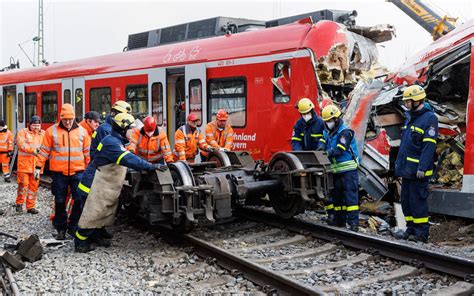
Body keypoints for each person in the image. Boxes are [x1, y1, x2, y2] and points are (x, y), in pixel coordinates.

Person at [74, 113, 165, 253]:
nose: (134, 132)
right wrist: (150, 166)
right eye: (131, 129)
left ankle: (96, 236)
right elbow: (129, 159)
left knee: (101, 212)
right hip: (93, 184)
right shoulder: (112, 143)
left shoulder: (114, 140)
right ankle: (80, 242)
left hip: (99, 182)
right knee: (91, 215)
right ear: (123, 129)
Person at [35, 104, 91, 240]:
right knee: (59, 201)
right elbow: (44, 152)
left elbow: (87, 154)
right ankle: (61, 228)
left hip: (78, 172)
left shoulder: (83, 132)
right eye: (65, 119)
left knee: (78, 199)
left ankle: (73, 227)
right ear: (61, 118)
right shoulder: (51, 131)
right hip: (59, 173)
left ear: (74, 118)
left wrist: (89, 171)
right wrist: (37, 167)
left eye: (70, 119)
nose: (68, 122)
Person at [394, 85, 438, 243]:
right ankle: (410, 229)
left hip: (418, 171)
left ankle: (421, 233)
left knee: (417, 201)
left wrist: (422, 167)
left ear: (417, 100)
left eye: (408, 101)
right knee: (406, 201)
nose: (406, 104)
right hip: (407, 170)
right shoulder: (410, 117)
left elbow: (429, 147)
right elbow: (405, 147)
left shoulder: (429, 118)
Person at [318, 104, 360, 232]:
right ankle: (339, 221)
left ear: (336, 119)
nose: (328, 123)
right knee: (337, 197)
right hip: (336, 171)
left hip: (348, 171)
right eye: (326, 121)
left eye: (330, 121)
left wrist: (327, 153)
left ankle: (353, 223)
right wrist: (320, 148)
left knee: (350, 197)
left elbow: (340, 149)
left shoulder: (344, 132)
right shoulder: (328, 131)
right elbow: (323, 140)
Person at [15, 116, 45, 214]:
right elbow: (21, 145)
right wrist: (33, 151)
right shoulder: (22, 133)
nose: (36, 127)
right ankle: (19, 203)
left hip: (37, 166)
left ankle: (30, 207)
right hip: (24, 166)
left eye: (38, 125)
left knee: (33, 187)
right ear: (30, 125)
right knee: (23, 185)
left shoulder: (43, 134)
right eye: (34, 125)